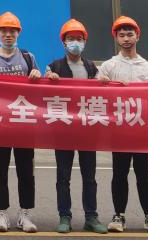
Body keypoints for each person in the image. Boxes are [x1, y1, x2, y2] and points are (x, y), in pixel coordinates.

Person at [98, 15, 148, 234]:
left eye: (130, 34)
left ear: (138, 36)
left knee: (143, 175)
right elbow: (96, 97)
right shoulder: (108, 67)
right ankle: (118, 215)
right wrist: (101, 84)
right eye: (122, 35)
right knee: (119, 174)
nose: (126, 39)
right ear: (116, 38)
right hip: (119, 129)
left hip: (142, 131)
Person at [45, 19, 107, 234]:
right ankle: (64, 216)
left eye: (79, 39)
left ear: (84, 42)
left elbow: (101, 92)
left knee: (89, 177)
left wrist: (105, 82)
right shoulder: (54, 67)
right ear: (64, 42)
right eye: (71, 38)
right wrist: (48, 79)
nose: (75, 43)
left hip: (87, 130)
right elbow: (42, 93)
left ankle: (91, 216)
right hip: (63, 130)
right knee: (63, 177)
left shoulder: (91, 67)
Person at [0, 11, 40, 233]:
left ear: (18, 33)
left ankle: (25, 214)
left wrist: (37, 76)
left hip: (24, 123)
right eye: (4, 30)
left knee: (26, 171)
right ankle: (2, 213)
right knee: (0, 170)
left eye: (12, 31)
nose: (8, 34)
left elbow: (38, 90)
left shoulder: (28, 57)